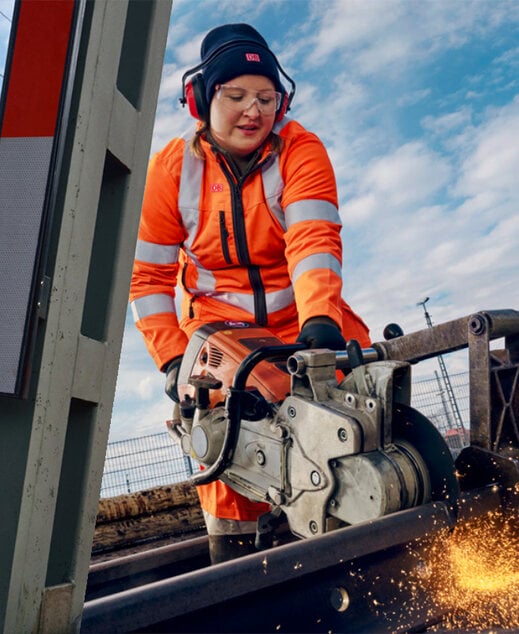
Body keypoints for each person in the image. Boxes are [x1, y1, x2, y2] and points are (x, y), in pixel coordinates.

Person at [129, 23, 371, 565]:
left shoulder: (301, 151)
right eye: (235, 96)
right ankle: (235, 561)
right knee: (221, 424)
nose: (252, 111)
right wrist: (171, 358)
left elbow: (313, 241)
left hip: (302, 319)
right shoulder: (171, 170)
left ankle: (356, 529)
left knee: (356, 387)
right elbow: (147, 279)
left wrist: (321, 326)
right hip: (216, 329)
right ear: (200, 100)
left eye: (265, 98)